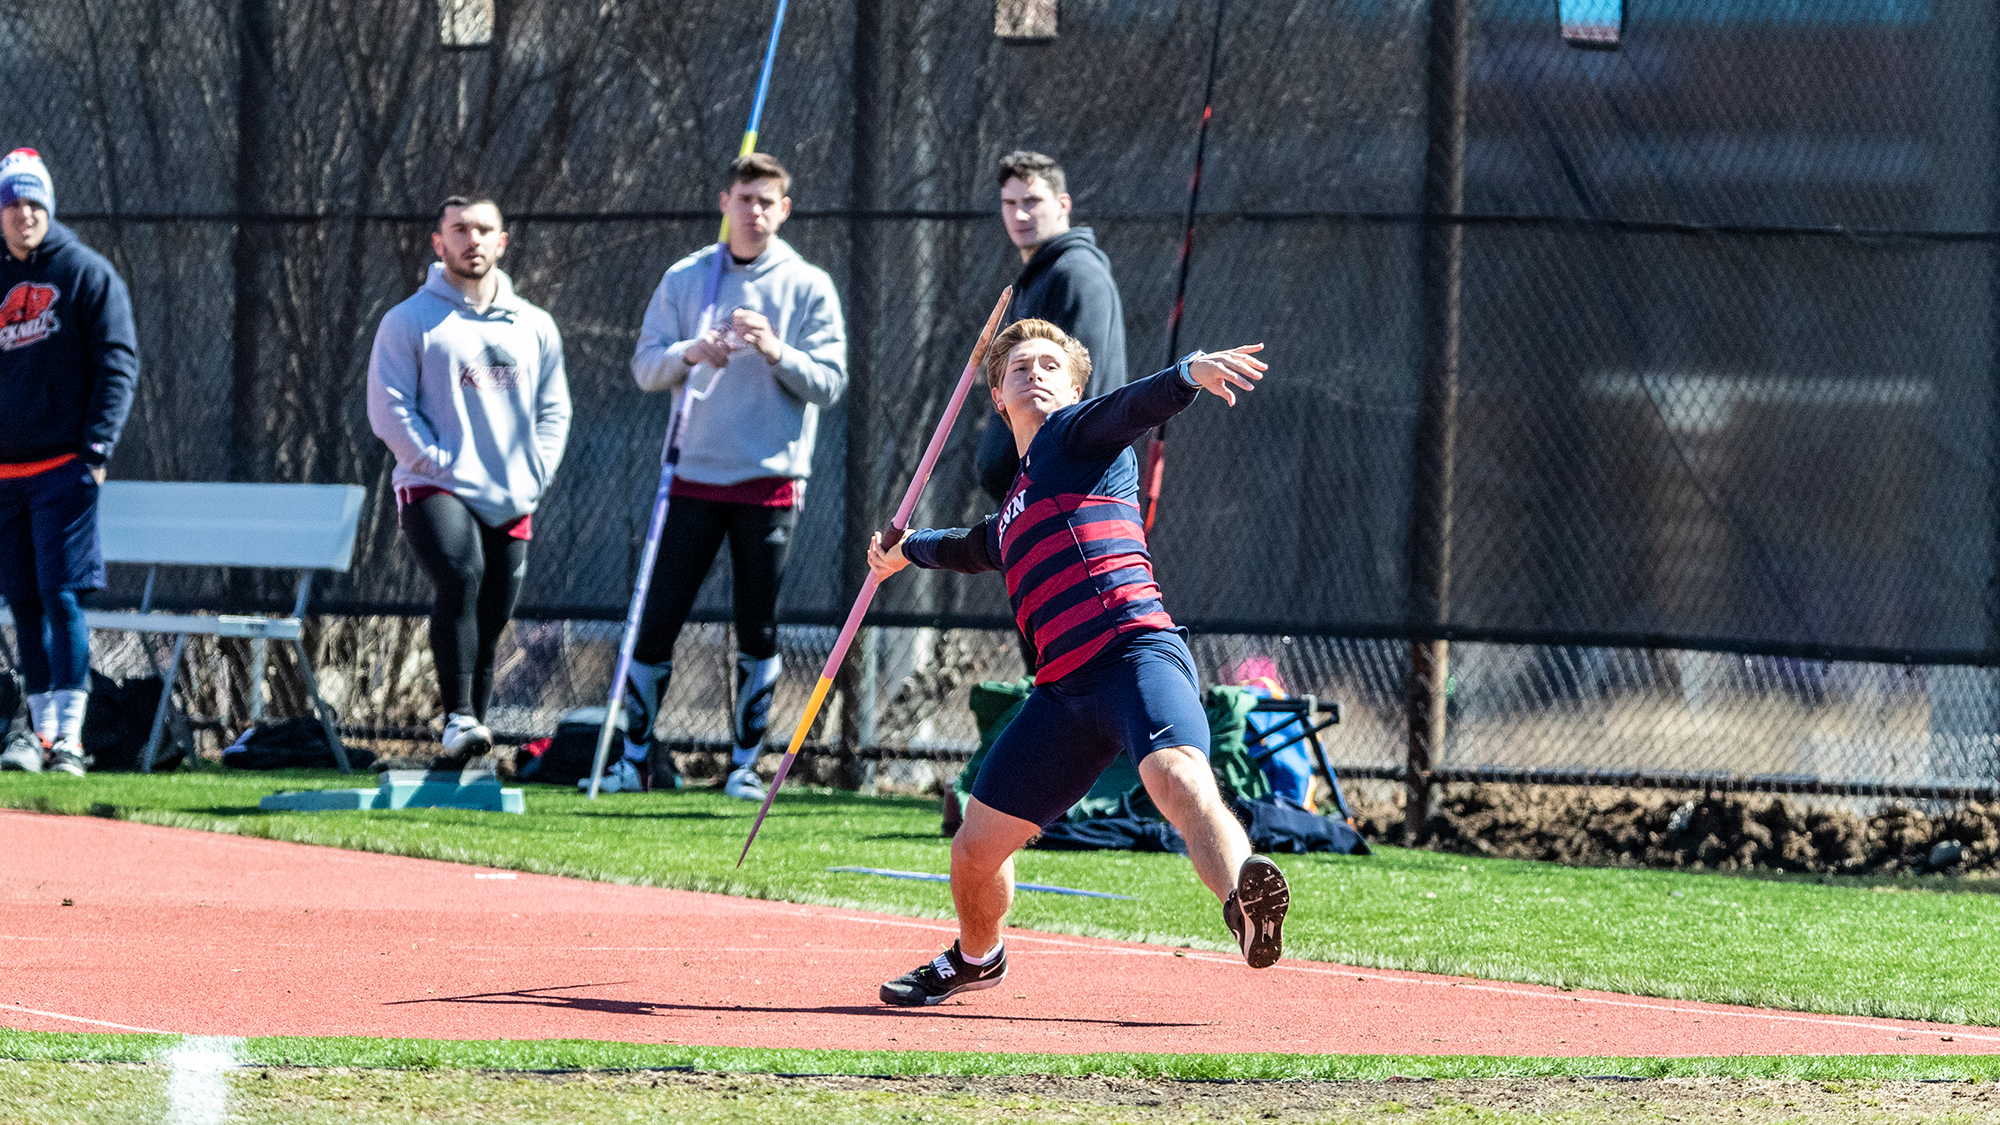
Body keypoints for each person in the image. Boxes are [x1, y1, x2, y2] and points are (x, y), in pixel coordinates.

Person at [866, 319, 1287, 1006]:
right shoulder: (1017, 503)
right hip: (1062, 695)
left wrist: (1186, 376)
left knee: (1176, 776)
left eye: (1048, 364)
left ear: (1074, 386)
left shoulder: (1077, 435)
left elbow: (1131, 407)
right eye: (1017, 367)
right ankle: (978, 955)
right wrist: (905, 550)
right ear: (998, 399)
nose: (1034, 372)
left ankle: (1245, 902)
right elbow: (976, 546)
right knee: (974, 849)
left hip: (1133, 654)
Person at [623, 153, 847, 798]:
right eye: (743, 199)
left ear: (784, 209)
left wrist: (776, 350)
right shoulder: (688, 276)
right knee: (660, 617)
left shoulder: (808, 284)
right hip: (690, 474)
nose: (753, 212)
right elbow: (646, 368)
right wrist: (694, 350)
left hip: (769, 480)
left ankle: (744, 766)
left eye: (766, 201)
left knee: (759, 623)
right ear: (725, 202)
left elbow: (829, 383)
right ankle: (634, 758)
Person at [367, 196, 570, 767]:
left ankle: (469, 742)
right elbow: (388, 407)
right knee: (461, 575)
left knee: (493, 612)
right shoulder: (410, 320)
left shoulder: (535, 326)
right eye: (459, 230)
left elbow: (555, 411)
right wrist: (432, 460)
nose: (472, 239)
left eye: (484, 230)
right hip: (436, 486)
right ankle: (458, 717)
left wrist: (536, 474)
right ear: (439, 242)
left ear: (502, 242)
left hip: (511, 493)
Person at [0, 149, 139, 776]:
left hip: (65, 468)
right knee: (23, 600)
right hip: (7, 475)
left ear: (49, 207)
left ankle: (70, 738)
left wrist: (96, 452)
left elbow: (118, 364)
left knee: (61, 595)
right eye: (11, 202)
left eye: (33, 202)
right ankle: (33, 733)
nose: (22, 213)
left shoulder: (86, 273)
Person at [973, 150, 1128, 507]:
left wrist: (1043, 476)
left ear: (1063, 204)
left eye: (1032, 201)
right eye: (1009, 203)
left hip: (1064, 498)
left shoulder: (1076, 276)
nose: (1020, 214)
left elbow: (1079, 393)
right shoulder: (1040, 278)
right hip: (1033, 497)